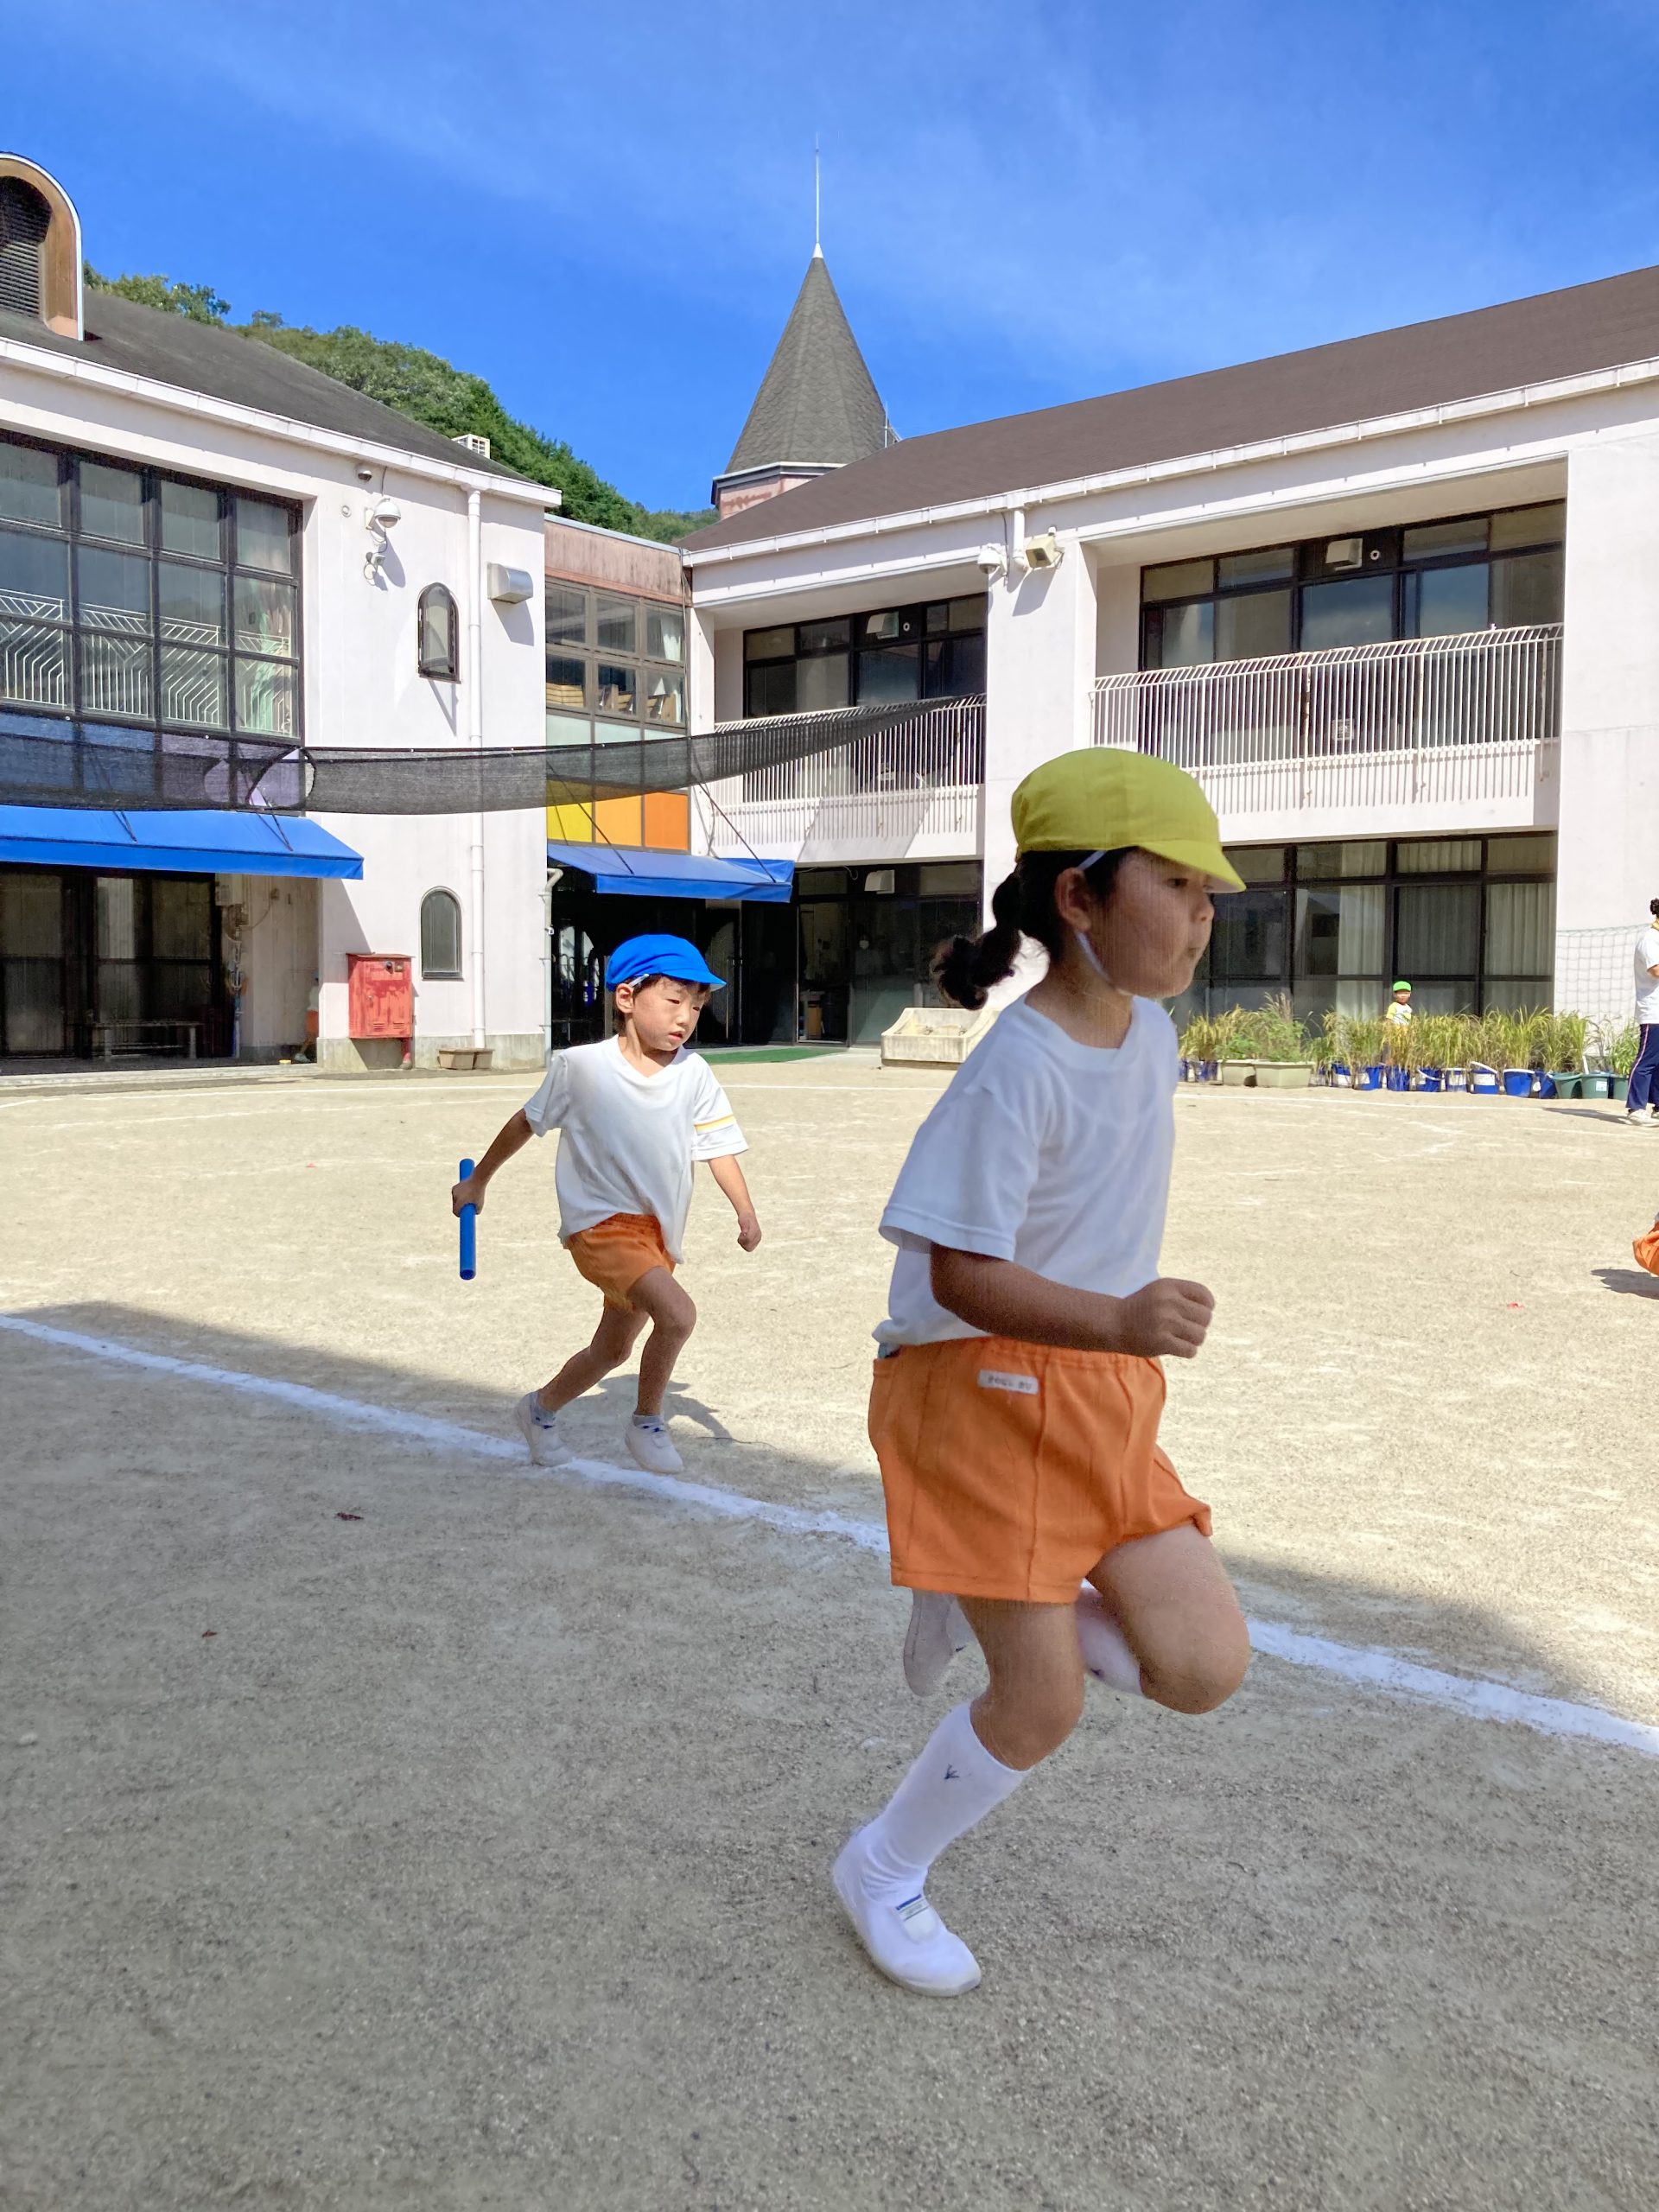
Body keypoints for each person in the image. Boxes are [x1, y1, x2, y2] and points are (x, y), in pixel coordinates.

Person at [833, 750, 1254, 1999]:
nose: (1202, 914)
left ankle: (979, 1582)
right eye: (1176, 884)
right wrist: (1120, 1317)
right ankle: (883, 1869)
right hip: (976, 1388)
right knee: (1044, 1701)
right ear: (1080, 899)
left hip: (1103, 1386)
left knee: (1202, 1666)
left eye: (1208, 890)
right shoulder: (1013, 1067)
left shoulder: (1154, 1032)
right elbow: (958, 1276)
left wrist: (1116, 1335)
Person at [451, 934, 760, 1475]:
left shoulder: (695, 1073)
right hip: (598, 1226)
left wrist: (746, 1210)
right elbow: (527, 1121)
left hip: (655, 1235)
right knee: (679, 1315)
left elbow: (719, 1148)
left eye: (697, 1004)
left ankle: (540, 1410)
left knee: (613, 1351)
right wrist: (478, 1180)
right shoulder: (581, 1068)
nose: (685, 1016)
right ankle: (647, 1421)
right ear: (626, 999)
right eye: (673, 1001)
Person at [1624, 900, 1659, 1127]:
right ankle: (1636, 1108)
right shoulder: (1650, 939)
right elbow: (1655, 969)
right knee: (1646, 1060)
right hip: (1653, 1010)